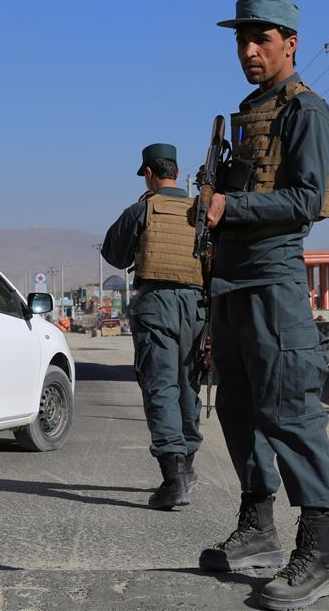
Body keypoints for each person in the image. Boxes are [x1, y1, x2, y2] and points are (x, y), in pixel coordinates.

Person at [195, 0, 329, 610]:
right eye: (241, 41)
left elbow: (306, 200)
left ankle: (320, 550)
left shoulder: (307, 111)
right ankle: (258, 527)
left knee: (289, 411)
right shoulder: (249, 112)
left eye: (261, 39)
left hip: (273, 280)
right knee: (237, 409)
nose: (249, 51)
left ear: (290, 43)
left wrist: (233, 207)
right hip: (230, 281)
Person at [101, 144, 207, 510]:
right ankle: (187, 467)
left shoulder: (143, 209)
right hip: (198, 307)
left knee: (161, 388)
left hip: (156, 304)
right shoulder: (203, 209)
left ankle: (173, 479)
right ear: (176, 172)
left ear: (149, 172)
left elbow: (114, 255)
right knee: (187, 388)